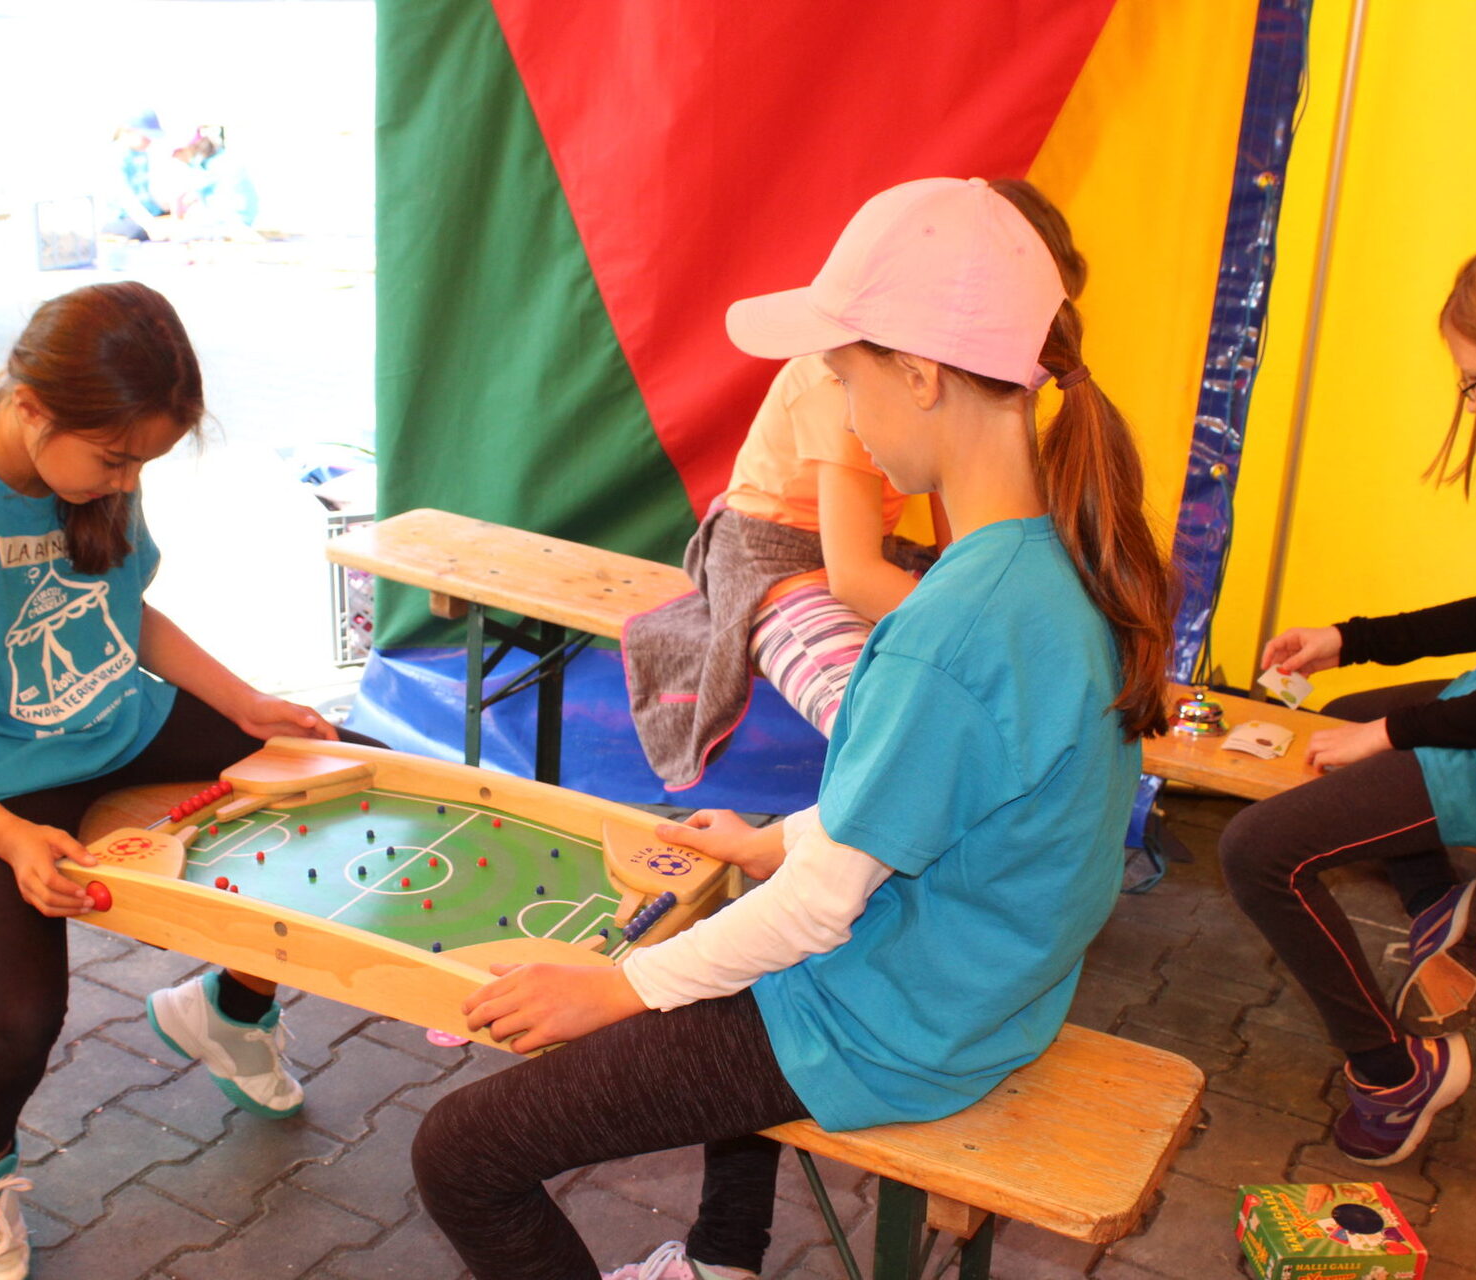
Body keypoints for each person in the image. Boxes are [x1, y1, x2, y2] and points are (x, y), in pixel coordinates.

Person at [409, 176, 1172, 1280]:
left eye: (848, 381)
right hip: (985, 998)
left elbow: (819, 911)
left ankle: (718, 1243)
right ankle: (723, 1258)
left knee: (461, 1151)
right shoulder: (1056, 562)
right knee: (727, 939)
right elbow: (932, 802)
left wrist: (617, 987)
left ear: (920, 375)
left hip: (885, 1027)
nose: (848, 415)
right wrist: (778, 842)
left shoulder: (948, 629)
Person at [0, 281, 383, 1280]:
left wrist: (245, 703)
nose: (127, 479)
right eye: (117, 460)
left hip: (118, 722)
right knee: (20, 1020)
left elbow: (124, 611)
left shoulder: (95, 460)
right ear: (32, 406)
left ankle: (231, 1012)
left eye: (142, 463)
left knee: (331, 783)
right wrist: (11, 838)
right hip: (0, 778)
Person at [1218, 227, 1476, 1167]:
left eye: (1475, 382)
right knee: (1342, 720)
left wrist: (1396, 734)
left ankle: (1393, 1071)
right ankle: (1446, 912)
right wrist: (1349, 640)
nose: (1471, 406)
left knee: (1257, 851)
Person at [623, 180, 1081, 790]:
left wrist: (982, 614)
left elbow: (961, 545)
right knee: (875, 719)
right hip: (770, 558)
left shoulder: (946, 399)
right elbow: (856, 576)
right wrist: (985, 641)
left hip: (857, 548)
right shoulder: (841, 383)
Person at [102, 110, 170, 241]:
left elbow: (146, 192)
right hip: (122, 219)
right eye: (146, 137)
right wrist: (151, 226)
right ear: (128, 131)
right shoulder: (115, 156)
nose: (149, 141)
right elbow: (126, 199)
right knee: (139, 232)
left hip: (145, 214)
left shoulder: (141, 153)